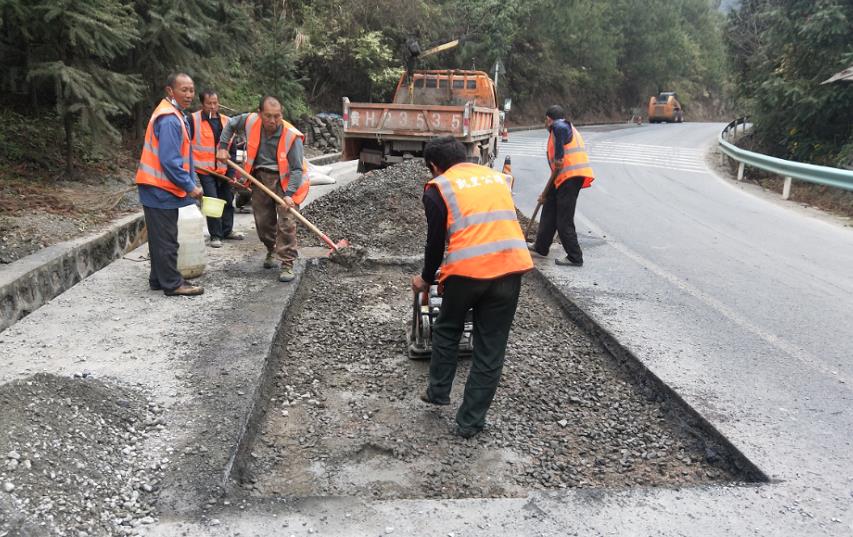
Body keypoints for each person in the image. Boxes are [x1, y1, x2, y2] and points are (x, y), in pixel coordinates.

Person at [412, 136, 533, 438]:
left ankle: (439, 391)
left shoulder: (439, 188)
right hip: (511, 268)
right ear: (465, 156)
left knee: (448, 328)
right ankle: (470, 422)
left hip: (467, 272)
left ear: (434, 166)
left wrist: (426, 278)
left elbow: (435, 243)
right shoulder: (496, 178)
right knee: (490, 348)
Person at [216, 96, 308, 282]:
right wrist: (223, 146)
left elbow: (297, 169)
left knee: (286, 222)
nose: (273, 121)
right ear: (260, 114)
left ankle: (287, 263)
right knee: (263, 222)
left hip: (286, 180)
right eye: (268, 116)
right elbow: (231, 124)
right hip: (259, 178)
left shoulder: (291, 135)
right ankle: (271, 249)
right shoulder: (250, 121)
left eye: (277, 116)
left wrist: (289, 194)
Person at [135, 73, 204, 296]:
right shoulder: (169, 120)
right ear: (170, 91)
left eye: (191, 90)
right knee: (167, 240)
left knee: (158, 238)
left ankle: (158, 278)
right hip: (160, 188)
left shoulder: (173, 114)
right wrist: (190, 186)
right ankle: (173, 284)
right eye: (183, 90)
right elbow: (170, 161)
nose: (189, 94)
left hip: (156, 187)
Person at [529, 105, 595, 266]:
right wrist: (546, 193)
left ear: (549, 119)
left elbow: (558, 131)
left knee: (563, 220)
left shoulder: (559, 126)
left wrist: (559, 157)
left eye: (546, 120)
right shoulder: (562, 129)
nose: (546, 123)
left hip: (571, 178)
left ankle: (575, 256)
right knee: (549, 208)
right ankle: (541, 247)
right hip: (562, 178)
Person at [189, 90, 244, 247]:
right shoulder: (193, 120)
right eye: (209, 103)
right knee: (212, 201)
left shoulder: (228, 121)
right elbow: (186, 145)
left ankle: (227, 231)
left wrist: (232, 172)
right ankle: (215, 235)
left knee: (227, 199)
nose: (213, 106)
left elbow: (232, 149)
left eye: (215, 103)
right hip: (205, 170)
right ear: (202, 104)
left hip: (224, 169)